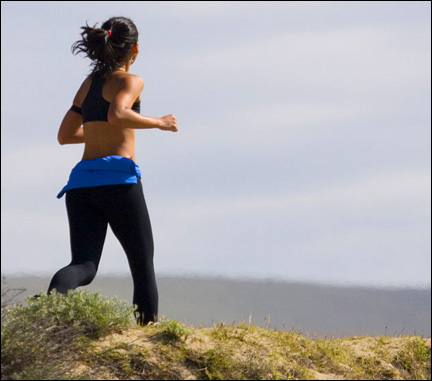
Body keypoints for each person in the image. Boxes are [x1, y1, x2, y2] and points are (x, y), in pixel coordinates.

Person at [47, 16, 178, 326]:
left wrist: (96, 134)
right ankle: (148, 333)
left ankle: (50, 309)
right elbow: (117, 114)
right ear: (134, 48)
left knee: (83, 266)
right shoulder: (130, 81)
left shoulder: (89, 84)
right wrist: (160, 122)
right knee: (142, 262)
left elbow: (65, 135)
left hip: (80, 185)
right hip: (119, 181)